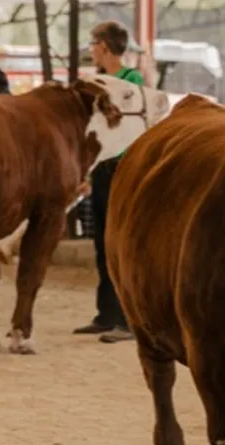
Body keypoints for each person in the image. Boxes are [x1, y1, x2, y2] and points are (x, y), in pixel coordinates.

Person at [72, 20, 144, 343]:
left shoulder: (132, 79)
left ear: (103, 46)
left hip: (122, 167)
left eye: (93, 44)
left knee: (119, 244)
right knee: (102, 242)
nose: (91, 50)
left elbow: (126, 125)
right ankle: (106, 314)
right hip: (102, 166)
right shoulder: (98, 81)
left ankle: (128, 320)